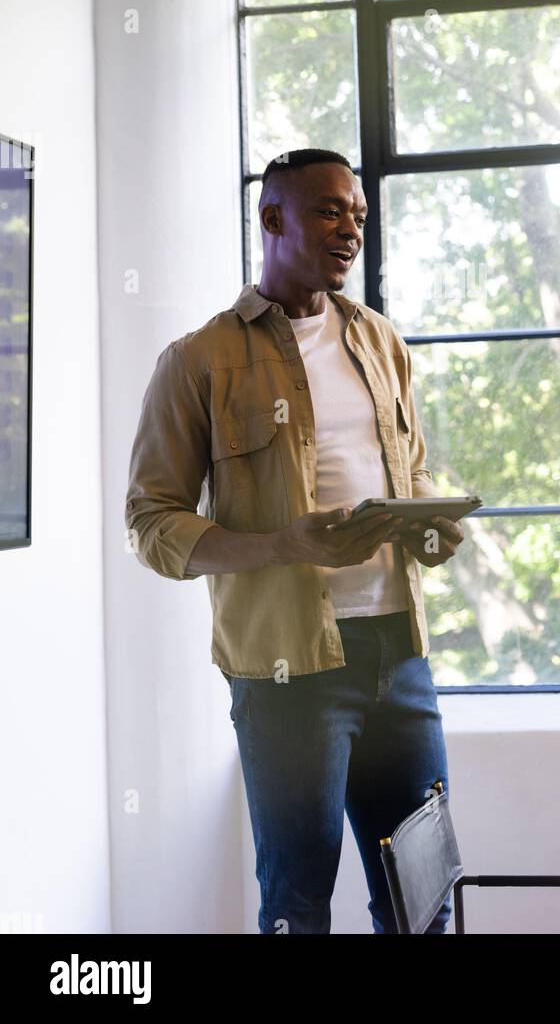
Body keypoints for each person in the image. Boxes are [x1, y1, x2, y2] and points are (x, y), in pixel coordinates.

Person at [124, 147, 465, 934]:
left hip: (399, 657)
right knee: (297, 906)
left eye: (357, 215)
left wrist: (428, 531)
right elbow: (152, 526)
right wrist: (284, 545)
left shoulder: (381, 343)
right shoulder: (197, 362)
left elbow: (405, 478)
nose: (349, 229)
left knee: (424, 899)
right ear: (271, 220)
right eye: (327, 211)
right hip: (287, 676)